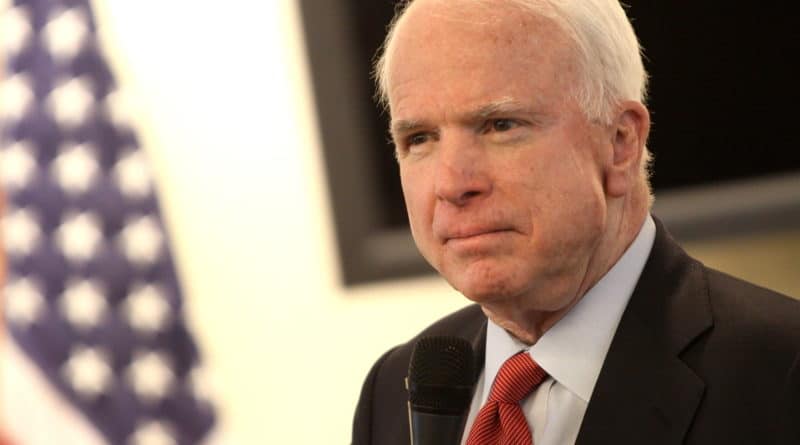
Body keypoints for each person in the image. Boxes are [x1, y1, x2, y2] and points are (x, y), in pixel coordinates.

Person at [351, 0, 800, 444]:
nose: (452, 183)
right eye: (420, 138)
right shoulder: (392, 389)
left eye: (501, 125)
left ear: (620, 142)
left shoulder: (780, 373)